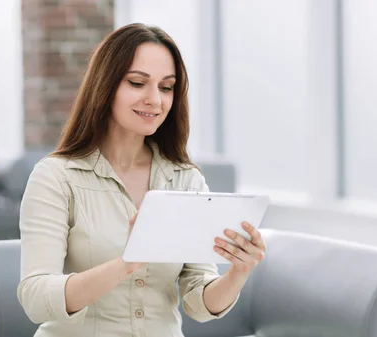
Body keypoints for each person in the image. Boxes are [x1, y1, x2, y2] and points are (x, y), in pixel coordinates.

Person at [17, 23, 267, 337]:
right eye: (137, 83)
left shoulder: (186, 180)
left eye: (166, 87)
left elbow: (198, 303)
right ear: (105, 87)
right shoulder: (55, 177)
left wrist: (238, 272)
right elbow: (36, 299)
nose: (155, 99)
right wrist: (127, 262)